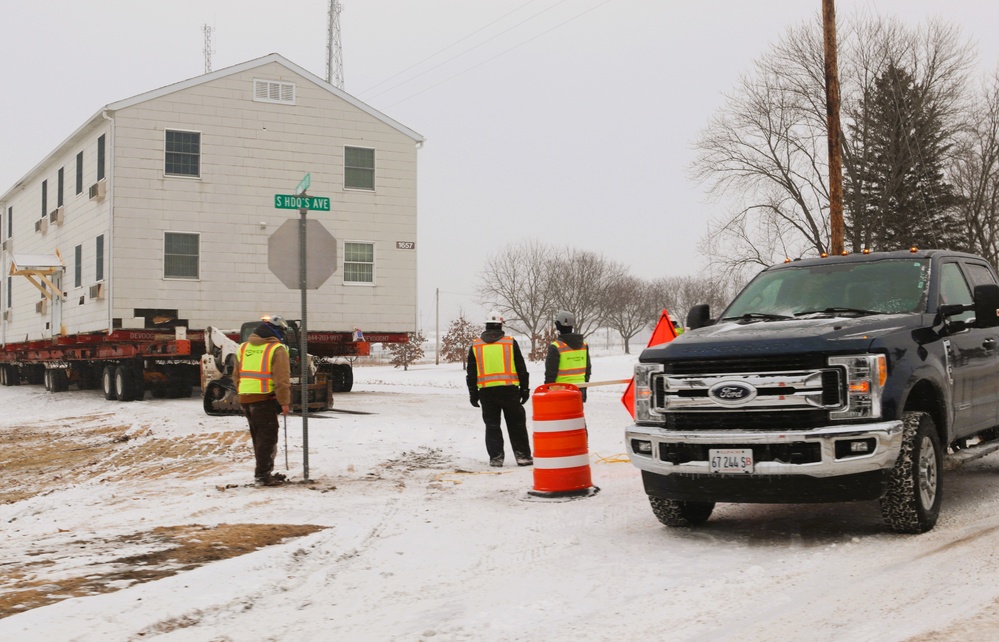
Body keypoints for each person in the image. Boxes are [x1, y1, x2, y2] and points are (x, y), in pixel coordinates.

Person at [466, 311, 533, 467]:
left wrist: (473, 394)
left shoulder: (476, 345)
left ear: (486, 325)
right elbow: (521, 368)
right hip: (509, 391)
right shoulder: (510, 343)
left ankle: (496, 458)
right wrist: (524, 389)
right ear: (501, 325)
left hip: (487, 393)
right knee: (516, 424)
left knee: (492, 426)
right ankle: (523, 456)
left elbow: (471, 374)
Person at [233, 316, 292, 486]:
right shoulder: (277, 349)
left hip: (245, 399)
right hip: (264, 399)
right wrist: (284, 402)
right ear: (277, 332)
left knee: (258, 438)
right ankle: (262, 476)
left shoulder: (243, 347)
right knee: (268, 439)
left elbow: (236, 375)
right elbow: (281, 379)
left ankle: (264, 472)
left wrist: (243, 392)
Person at [544, 310, 592, 401]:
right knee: (576, 415)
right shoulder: (584, 345)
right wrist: (584, 389)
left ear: (558, 325)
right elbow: (587, 370)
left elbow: (550, 374)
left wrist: (548, 391)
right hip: (579, 389)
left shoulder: (555, 347)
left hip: (560, 390)